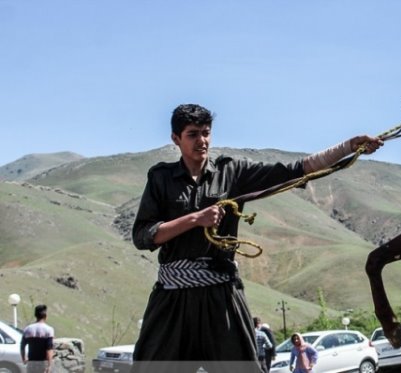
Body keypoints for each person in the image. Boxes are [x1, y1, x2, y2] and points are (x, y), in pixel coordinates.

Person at [131, 104, 382, 372]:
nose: (201, 141)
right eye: (192, 134)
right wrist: (195, 219)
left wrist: (348, 147)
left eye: (206, 133)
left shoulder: (232, 171)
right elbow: (143, 236)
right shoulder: (160, 178)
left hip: (221, 294)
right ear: (175, 139)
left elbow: (295, 170)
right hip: (173, 298)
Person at [20, 304, 55, 373]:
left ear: (35, 315)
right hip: (43, 363)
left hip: (31, 363)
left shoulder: (27, 329)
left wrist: (24, 359)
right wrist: (49, 365)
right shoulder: (49, 330)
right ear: (45, 316)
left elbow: (22, 346)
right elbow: (49, 349)